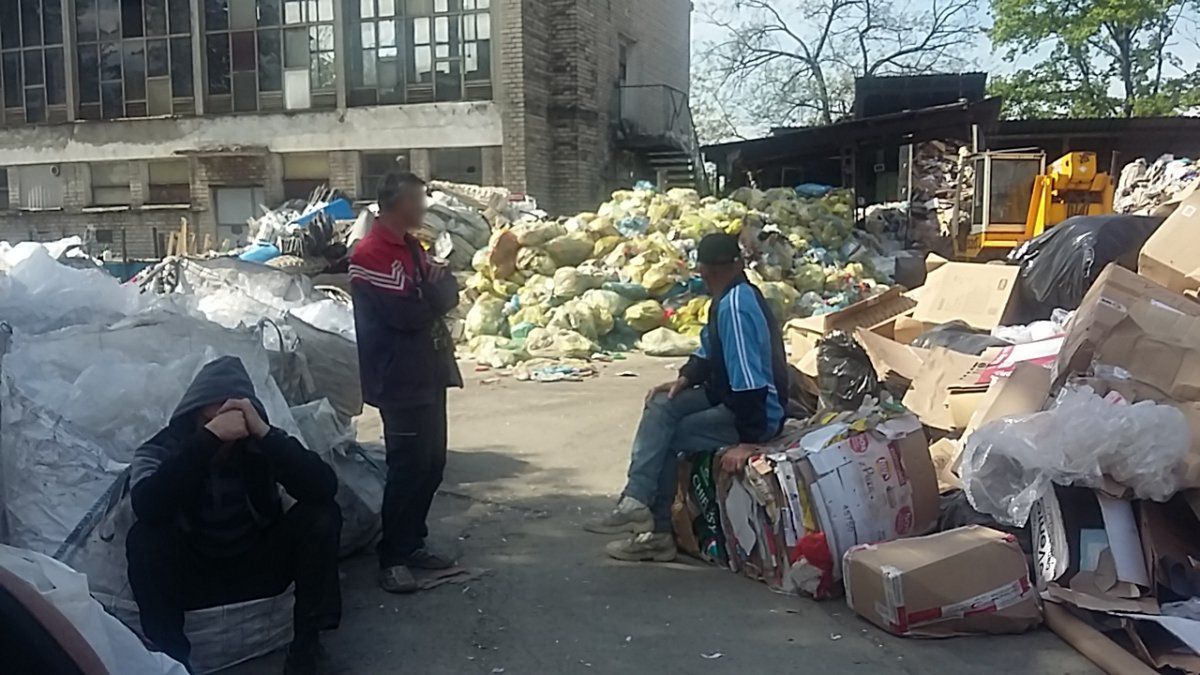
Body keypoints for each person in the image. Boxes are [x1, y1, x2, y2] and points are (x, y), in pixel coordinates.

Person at [125, 356, 342, 674]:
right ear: (197, 412)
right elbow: (148, 506)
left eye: (236, 410)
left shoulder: (260, 444)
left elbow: (323, 487)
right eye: (217, 410)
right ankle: (173, 662)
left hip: (255, 563)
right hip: (194, 569)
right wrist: (208, 442)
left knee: (321, 516)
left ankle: (307, 648)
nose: (230, 420)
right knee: (145, 538)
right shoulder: (162, 449)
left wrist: (266, 434)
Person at [585, 232, 789, 562]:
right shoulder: (725, 298)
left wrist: (749, 441)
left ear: (704, 271)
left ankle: (658, 533)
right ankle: (636, 500)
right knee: (661, 405)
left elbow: (750, 382)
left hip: (756, 412)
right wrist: (684, 378)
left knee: (670, 436)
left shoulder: (736, 307)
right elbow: (708, 350)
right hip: (726, 395)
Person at [350, 172, 462, 594]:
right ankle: (392, 557)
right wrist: (432, 296)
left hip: (428, 372)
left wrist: (432, 295)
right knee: (407, 467)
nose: (424, 208)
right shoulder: (371, 253)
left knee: (432, 463)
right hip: (397, 377)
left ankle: (413, 543)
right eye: (418, 200)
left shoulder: (413, 247)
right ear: (397, 205)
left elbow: (446, 289)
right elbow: (407, 315)